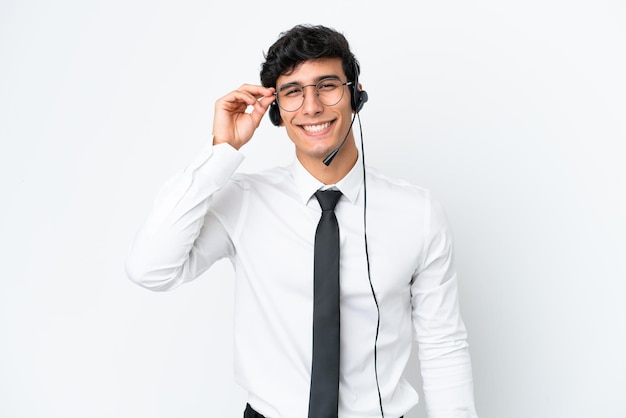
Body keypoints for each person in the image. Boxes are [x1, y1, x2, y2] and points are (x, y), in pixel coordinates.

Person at [126, 24, 479, 418]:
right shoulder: (244, 200)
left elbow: (442, 343)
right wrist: (221, 153)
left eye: (327, 85)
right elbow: (150, 269)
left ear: (356, 95)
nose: (311, 106)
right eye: (293, 92)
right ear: (276, 110)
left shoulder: (418, 213)